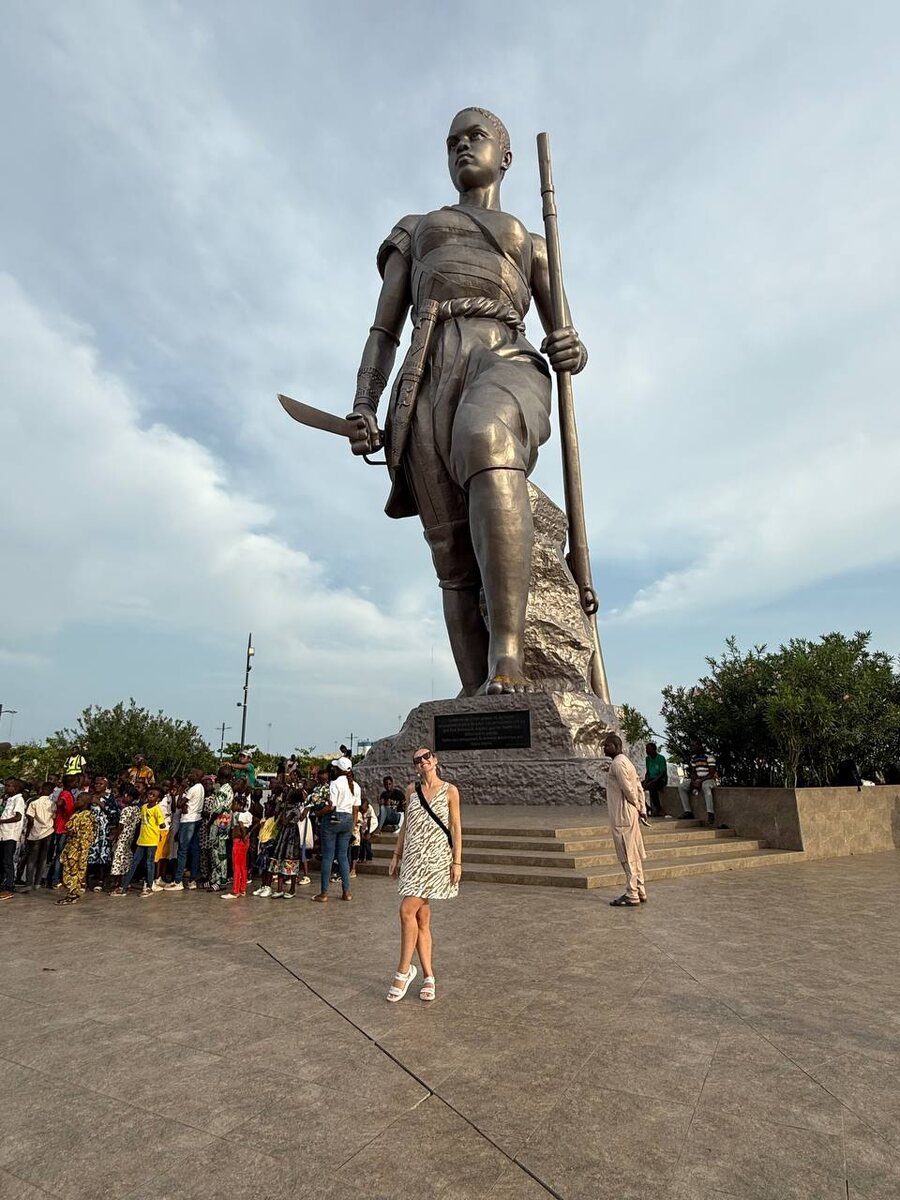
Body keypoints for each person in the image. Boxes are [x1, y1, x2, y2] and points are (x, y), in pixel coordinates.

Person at [347, 107, 587, 696]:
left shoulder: (532, 244)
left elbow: (565, 336)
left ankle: (509, 652)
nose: (461, 146)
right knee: (450, 550)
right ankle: (477, 694)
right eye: (452, 140)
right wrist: (364, 404)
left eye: (475, 136)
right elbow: (383, 330)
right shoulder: (416, 229)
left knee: (487, 437)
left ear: (505, 156)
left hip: (504, 355)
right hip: (427, 371)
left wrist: (572, 347)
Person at [386, 747, 462, 1003]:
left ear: (435, 760)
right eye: (417, 760)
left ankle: (403, 971)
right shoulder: (411, 791)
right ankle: (429, 976)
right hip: (412, 859)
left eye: (427, 756)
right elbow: (406, 825)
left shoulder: (450, 791)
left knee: (406, 909)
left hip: (436, 860)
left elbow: (455, 827)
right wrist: (396, 855)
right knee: (421, 918)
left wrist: (457, 861)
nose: (423, 761)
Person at [602, 734, 647, 907]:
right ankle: (640, 889)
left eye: (607, 745)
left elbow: (629, 789)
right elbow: (638, 786)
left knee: (627, 853)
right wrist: (641, 808)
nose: (604, 748)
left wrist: (637, 805)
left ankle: (632, 893)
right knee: (633, 853)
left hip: (623, 813)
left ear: (616, 746)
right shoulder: (627, 762)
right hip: (630, 812)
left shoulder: (618, 764)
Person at [313, 758, 360, 902]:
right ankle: (346, 892)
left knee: (328, 856)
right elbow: (356, 809)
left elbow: (331, 806)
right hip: (347, 820)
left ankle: (324, 893)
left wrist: (318, 813)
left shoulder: (335, 784)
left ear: (338, 770)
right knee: (343, 856)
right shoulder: (355, 786)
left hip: (333, 819)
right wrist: (352, 826)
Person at [114, 785, 166, 896]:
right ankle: (124, 887)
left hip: (151, 840)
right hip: (142, 839)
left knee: (149, 863)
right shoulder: (144, 807)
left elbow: (162, 824)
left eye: (153, 795)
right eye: (149, 793)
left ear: (158, 799)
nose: (150, 796)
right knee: (134, 862)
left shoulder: (157, 809)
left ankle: (149, 886)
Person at [56, 792, 96, 905]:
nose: (76, 801)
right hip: (72, 846)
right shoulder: (78, 814)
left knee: (75, 871)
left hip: (78, 848)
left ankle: (73, 894)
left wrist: (81, 851)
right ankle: (72, 892)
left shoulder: (86, 816)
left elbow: (84, 835)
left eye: (79, 799)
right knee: (70, 869)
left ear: (86, 802)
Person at [168, 768, 205, 888]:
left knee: (182, 850)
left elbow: (179, 804)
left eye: (193, 773)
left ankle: (178, 881)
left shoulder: (192, 789)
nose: (190, 775)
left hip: (188, 820)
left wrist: (181, 789)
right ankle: (193, 880)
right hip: (196, 819)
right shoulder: (201, 788)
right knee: (194, 849)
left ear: (197, 775)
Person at [22, 781, 55, 890]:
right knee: (43, 858)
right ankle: (38, 883)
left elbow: (30, 820)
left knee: (32, 858)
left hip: (35, 832)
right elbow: (54, 817)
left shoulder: (34, 803)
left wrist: (27, 834)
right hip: (48, 832)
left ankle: (28, 883)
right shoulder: (52, 803)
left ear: (41, 790)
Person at [206, 767, 234, 892]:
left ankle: (218, 881)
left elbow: (217, 809)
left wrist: (209, 823)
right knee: (221, 852)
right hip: (225, 822)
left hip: (218, 823)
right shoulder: (229, 789)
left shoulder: (222, 790)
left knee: (217, 852)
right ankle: (217, 878)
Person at [108, 785, 141, 890]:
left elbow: (121, 826)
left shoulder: (125, 810)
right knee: (126, 858)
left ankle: (117, 882)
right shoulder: (137, 809)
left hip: (122, 838)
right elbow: (137, 823)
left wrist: (115, 838)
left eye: (125, 796)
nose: (123, 798)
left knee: (118, 858)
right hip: (130, 837)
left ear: (130, 797)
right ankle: (124, 880)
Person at [678, 742, 718, 825]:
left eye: (695, 746)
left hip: (708, 779)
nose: (693, 748)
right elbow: (693, 771)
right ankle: (688, 811)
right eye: (692, 746)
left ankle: (710, 813)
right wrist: (694, 781)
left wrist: (700, 781)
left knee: (706, 787)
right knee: (682, 787)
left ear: (700, 746)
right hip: (698, 779)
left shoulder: (709, 757)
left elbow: (711, 774)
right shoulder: (694, 758)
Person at [48, 775, 78, 887]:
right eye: (75, 782)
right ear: (70, 783)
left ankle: (52, 878)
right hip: (63, 827)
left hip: (62, 826)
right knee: (60, 854)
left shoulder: (66, 793)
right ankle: (55, 879)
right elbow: (60, 803)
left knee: (59, 853)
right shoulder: (66, 794)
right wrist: (65, 812)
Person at [0, 778, 26, 898]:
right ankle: (4, 883)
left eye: (8, 786)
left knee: (7, 861)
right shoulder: (8, 799)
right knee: (2, 860)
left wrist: (2, 821)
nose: (6, 788)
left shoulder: (18, 799)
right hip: (3, 834)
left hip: (10, 834)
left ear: (15, 788)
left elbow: (18, 817)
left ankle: (9, 887)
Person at [222, 798, 252, 899]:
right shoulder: (248, 814)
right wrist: (248, 835)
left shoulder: (238, 815)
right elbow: (256, 822)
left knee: (236, 866)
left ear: (239, 805)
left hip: (239, 841)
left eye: (234, 804)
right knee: (243, 866)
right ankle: (242, 889)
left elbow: (242, 827)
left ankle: (235, 891)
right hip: (244, 842)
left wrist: (243, 837)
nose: (232, 806)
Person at [252, 798, 279, 897]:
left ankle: (268, 887)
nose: (265, 811)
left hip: (269, 844)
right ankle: (263, 885)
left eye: (268, 809)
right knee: (262, 867)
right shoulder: (263, 819)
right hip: (262, 844)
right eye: (265, 809)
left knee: (269, 867)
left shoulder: (274, 819)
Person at [642, 743, 668, 818]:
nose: (646, 751)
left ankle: (659, 809)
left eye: (648, 749)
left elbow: (662, 773)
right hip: (651, 779)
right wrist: (645, 782)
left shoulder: (661, 758)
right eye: (646, 749)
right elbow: (648, 772)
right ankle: (647, 807)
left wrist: (651, 782)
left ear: (654, 749)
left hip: (661, 779)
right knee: (637, 787)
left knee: (652, 787)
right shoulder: (648, 759)